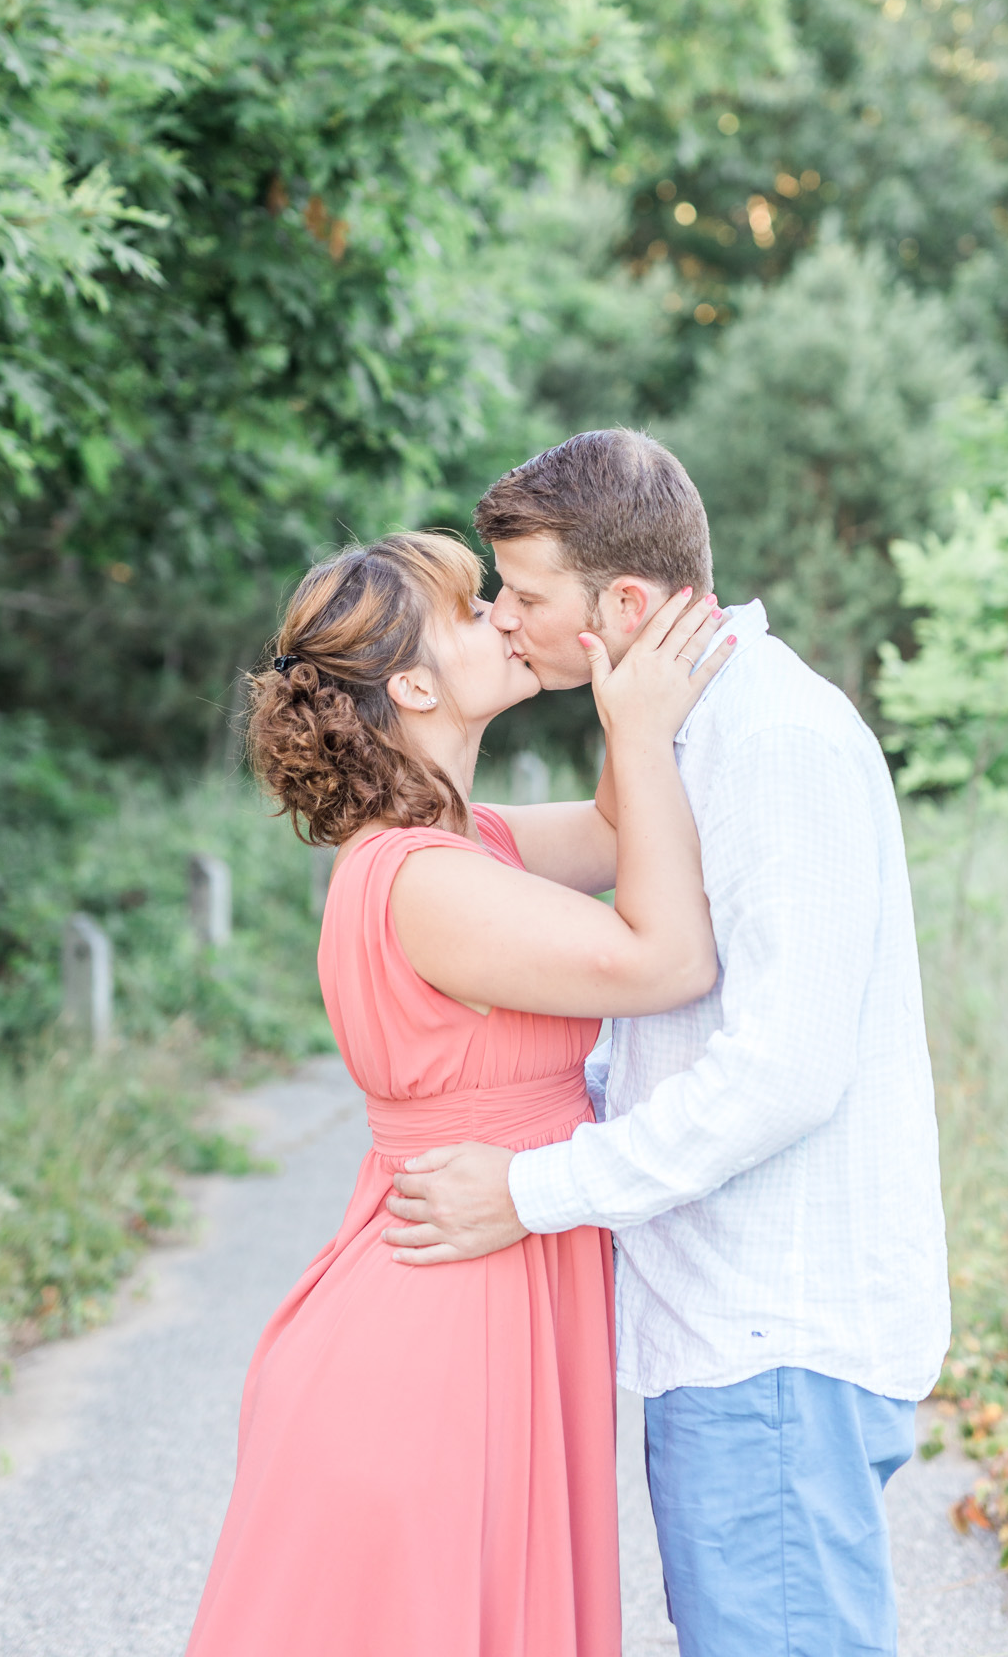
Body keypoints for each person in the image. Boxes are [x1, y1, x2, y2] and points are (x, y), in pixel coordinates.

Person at [385, 430, 952, 1657]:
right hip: (732, 1336)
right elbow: (574, 845)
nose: (506, 617)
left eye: (528, 595)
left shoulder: (771, 741)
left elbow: (784, 1069)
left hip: (774, 1334)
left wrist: (532, 1190)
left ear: (624, 604)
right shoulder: (692, 719)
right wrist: (388, 819)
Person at [185, 529, 734, 1657]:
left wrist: (619, 672)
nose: (501, 616)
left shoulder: (463, 840)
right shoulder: (425, 877)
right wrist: (633, 724)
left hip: (490, 1279)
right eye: (472, 606)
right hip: (440, 1329)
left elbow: (614, 830)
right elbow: (666, 958)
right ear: (415, 684)